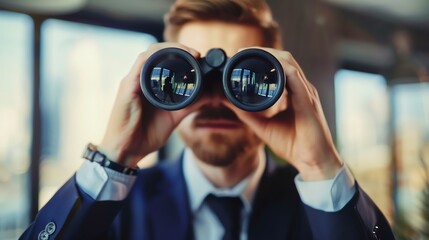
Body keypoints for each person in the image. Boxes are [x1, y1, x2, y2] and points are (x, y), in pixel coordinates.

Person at [20, 0, 396, 239]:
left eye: (242, 78)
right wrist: (112, 158)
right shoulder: (116, 208)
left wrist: (321, 168)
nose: (215, 100)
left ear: (283, 88)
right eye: (190, 78)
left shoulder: (319, 209)